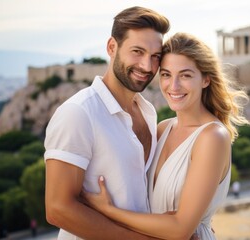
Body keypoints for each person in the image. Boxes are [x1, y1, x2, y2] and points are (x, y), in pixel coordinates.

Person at [81, 32, 250, 239]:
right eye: (166, 74)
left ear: (206, 79)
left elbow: (180, 229)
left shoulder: (212, 137)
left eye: (186, 75)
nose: (174, 86)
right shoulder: (162, 129)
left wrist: (109, 210)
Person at [44, 6, 170, 240]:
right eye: (137, 51)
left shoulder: (148, 111)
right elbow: (58, 210)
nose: (147, 66)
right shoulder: (78, 113)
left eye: (155, 57)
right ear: (112, 47)